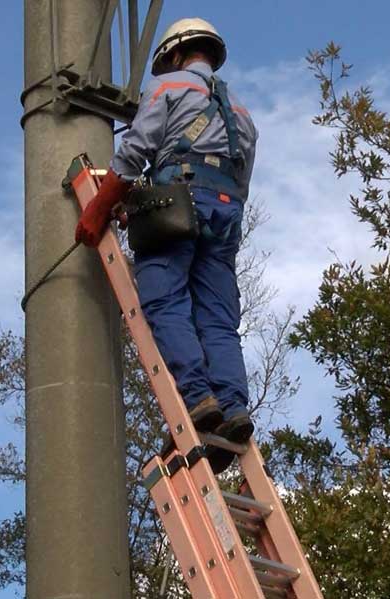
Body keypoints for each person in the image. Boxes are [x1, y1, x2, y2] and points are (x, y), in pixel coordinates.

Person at [75, 18, 258, 472]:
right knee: (217, 318)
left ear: (176, 54)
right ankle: (233, 406)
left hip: (179, 208)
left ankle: (199, 399)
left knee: (165, 301)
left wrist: (101, 207)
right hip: (226, 214)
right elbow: (241, 179)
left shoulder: (168, 88)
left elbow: (135, 151)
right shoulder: (240, 111)